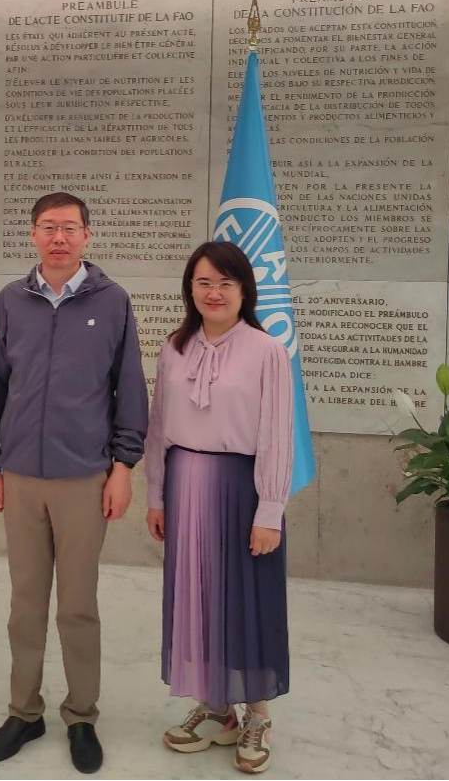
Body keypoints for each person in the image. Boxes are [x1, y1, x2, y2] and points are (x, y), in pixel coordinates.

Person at [0, 192, 148, 774]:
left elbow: (130, 387)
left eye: (70, 228)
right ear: (32, 234)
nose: (59, 238)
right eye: (48, 227)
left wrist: (122, 467)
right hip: (21, 475)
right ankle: (24, 711)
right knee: (25, 604)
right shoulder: (11, 301)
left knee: (77, 605)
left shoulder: (112, 300)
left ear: (86, 236)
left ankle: (81, 716)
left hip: (84, 478)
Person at [144, 241, 293, 774]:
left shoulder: (266, 350)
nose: (214, 293)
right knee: (198, 596)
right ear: (190, 289)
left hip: (241, 487)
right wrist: (157, 495)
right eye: (204, 282)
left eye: (226, 283)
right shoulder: (174, 347)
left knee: (247, 598)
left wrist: (269, 510)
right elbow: (159, 426)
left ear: (244, 290)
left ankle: (258, 714)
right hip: (184, 482)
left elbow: (277, 433)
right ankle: (216, 707)